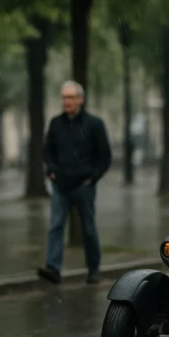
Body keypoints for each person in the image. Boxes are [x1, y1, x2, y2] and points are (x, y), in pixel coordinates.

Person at [38, 81, 112, 284]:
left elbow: (105, 156)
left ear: (80, 99)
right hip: (60, 185)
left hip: (83, 186)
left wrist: (92, 178)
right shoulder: (56, 123)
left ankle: (93, 268)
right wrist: (51, 170)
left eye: (70, 97)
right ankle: (53, 268)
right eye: (64, 97)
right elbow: (48, 150)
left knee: (88, 228)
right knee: (56, 226)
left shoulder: (94, 124)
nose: (66, 101)